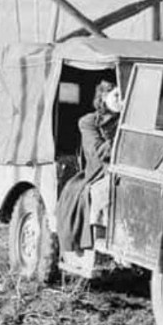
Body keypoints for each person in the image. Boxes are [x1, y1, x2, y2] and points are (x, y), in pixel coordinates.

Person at [57, 79, 122, 255]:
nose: (120, 99)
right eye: (115, 94)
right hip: (100, 169)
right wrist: (122, 139)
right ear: (103, 96)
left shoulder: (127, 120)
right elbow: (98, 152)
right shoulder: (88, 121)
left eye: (123, 94)